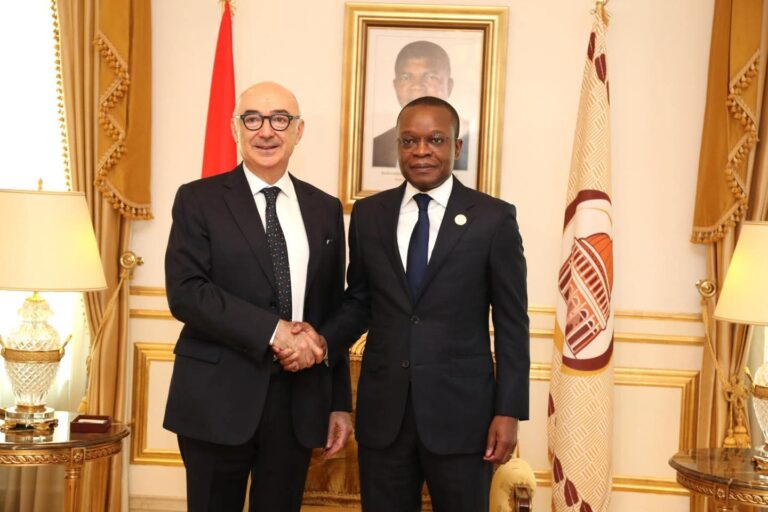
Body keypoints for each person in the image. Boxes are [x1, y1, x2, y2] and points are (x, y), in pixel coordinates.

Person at [281, 96, 529, 511]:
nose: (421, 151)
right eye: (409, 141)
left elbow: (512, 324)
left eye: (436, 140)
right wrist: (321, 341)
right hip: (385, 416)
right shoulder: (369, 214)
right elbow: (360, 301)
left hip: (463, 417)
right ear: (397, 146)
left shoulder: (493, 219)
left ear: (456, 147)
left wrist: (509, 411)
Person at [163, 81, 353, 512]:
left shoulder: (325, 209)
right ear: (235, 129)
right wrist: (274, 331)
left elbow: (332, 308)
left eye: (279, 119)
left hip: (298, 402)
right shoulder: (198, 199)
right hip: (215, 399)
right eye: (252, 119)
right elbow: (187, 293)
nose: (266, 131)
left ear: (299, 130)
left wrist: (339, 404)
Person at [372, 40, 470, 170]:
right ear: (395, 86)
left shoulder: (475, 142)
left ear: (449, 86)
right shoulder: (378, 146)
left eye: (431, 77)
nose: (417, 86)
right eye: (406, 77)